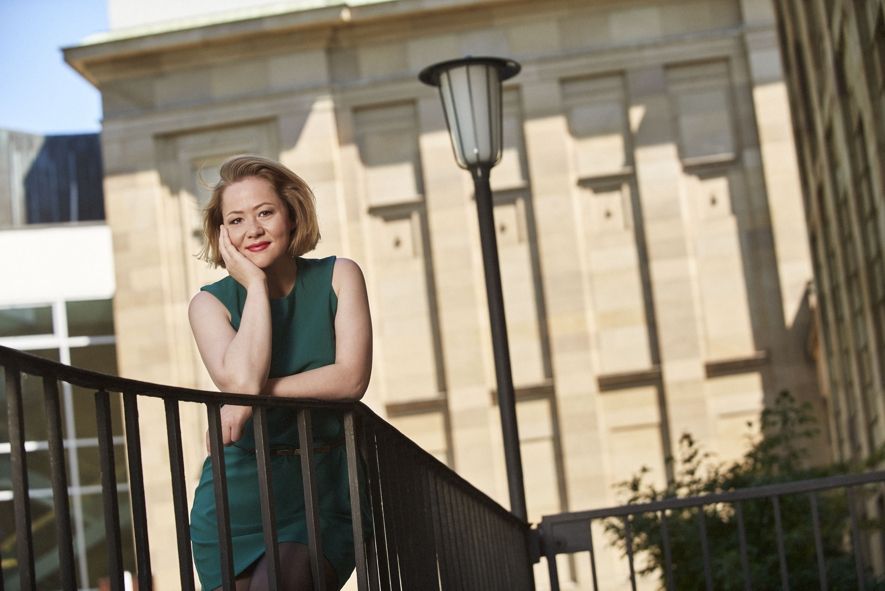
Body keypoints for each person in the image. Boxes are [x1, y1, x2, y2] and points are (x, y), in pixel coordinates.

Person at [187, 154, 372, 591]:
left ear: (291, 215)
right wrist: (254, 285)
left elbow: (350, 380)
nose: (252, 230)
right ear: (222, 234)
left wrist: (251, 399)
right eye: (236, 220)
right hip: (237, 498)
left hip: (322, 487)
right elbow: (241, 381)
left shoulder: (339, 276)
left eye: (265, 212)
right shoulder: (208, 305)